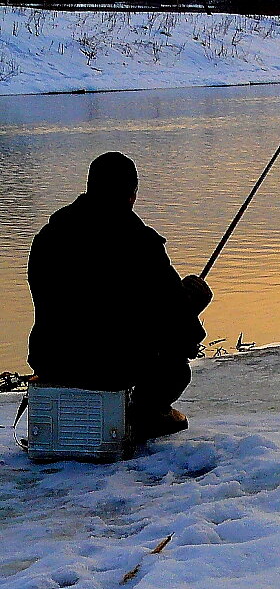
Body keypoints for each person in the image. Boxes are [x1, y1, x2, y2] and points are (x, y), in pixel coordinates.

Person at [27, 152, 212, 441]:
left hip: (52, 360)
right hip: (110, 368)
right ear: (131, 194)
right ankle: (147, 415)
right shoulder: (141, 244)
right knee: (176, 369)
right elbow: (175, 324)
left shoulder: (47, 238)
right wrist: (193, 304)